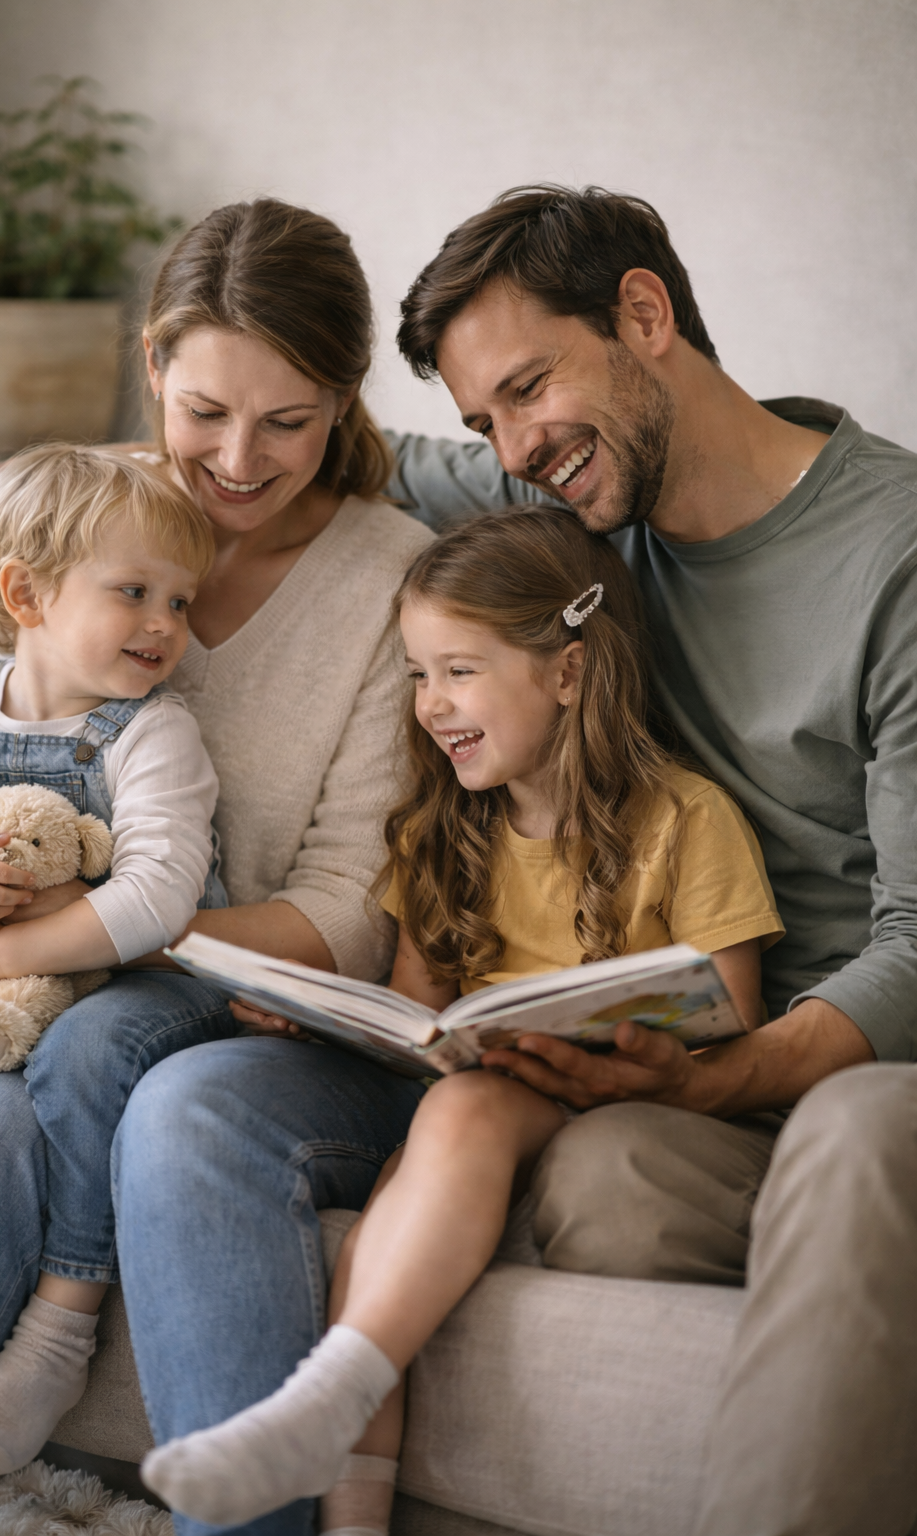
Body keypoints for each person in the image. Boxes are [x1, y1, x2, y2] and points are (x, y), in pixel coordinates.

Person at [385, 185, 917, 1536]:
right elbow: (348, 454)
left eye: (527, 388)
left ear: (642, 313)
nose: (515, 450)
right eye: (484, 423)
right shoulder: (571, 518)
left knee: (853, 1138)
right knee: (602, 1176)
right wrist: (79, 498)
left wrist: (727, 1072)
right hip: (699, 1094)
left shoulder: (895, 556)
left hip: (866, 1069)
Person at [0, 198, 432, 1520]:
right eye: (205, 412)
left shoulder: (392, 581)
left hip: (247, 1019)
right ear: (152, 365)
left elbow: (347, 916)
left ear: (344, 400)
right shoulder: (44, 524)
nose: (238, 462)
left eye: (288, 421)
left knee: (78, 1096)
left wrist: (68, 936)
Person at [138, 507, 784, 1530]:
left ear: (568, 671)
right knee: (390, 1213)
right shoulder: (443, 828)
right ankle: (349, 1502)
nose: (431, 704)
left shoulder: (684, 818)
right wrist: (324, 1019)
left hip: (626, 1104)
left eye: (459, 671)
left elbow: (733, 1018)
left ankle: (326, 1400)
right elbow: (419, 1020)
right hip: (483, 1098)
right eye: (416, 674)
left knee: (466, 1108)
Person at [0, 442, 228, 1475]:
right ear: (24, 595)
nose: (165, 624)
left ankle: (47, 1331)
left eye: (180, 601)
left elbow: (161, 898)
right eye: (134, 592)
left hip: (116, 993)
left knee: (62, 1074)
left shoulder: (151, 734)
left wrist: (10, 949)